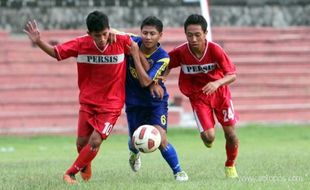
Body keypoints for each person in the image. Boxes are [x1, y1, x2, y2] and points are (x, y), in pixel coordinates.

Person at [24, 10, 142, 184]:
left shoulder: (121, 41)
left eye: (104, 34)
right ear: (89, 34)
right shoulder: (81, 44)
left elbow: (140, 41)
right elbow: (57, 53)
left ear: (109, 30)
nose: (102, 38)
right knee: (81, 143)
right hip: (88, 102)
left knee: (95, 141)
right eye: (97, 35)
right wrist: (39, 41)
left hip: (112, 104)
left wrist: (117, 33)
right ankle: (85, 165)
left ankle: (69, 174)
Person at [166, 14, 239, 178]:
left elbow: (232, 75)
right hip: (199, 97)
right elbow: (165, 62)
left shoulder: (215, 50)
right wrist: (161, 78)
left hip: (221, 95)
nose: (193, 38)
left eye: (197, 34)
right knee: (209, 137)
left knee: (231, 135)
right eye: (189, 35)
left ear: (205, 33)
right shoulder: (181, 52)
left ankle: (230, 165)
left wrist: (217, 83)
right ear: (185, 34)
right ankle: (208, 138)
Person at [125, 16, 188, 181]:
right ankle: (134, 153)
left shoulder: (163, 57)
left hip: (155, 102)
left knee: (160, 138)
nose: (148, 37)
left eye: (152, 33)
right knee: (134, 141)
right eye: (144, 32)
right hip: (133, 102)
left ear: (160, 35)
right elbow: (113, 32)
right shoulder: (132, 41)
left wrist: (135, 54)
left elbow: (145, 81)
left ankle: (178, 171)